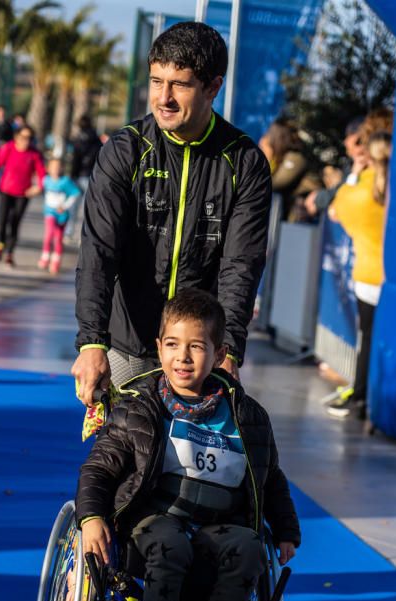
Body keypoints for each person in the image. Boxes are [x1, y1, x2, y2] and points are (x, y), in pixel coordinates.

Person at [76, 289, 300, 601]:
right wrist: (91, 517)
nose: (183, 357)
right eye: (174, 345)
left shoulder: (246, 416)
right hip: (151, 525)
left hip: (217, 530)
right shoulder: (138, 409)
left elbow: (271, 477)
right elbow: (99, 469)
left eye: (197, 347)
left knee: (250, 546)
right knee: (170, 541)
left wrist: (285, 530)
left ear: (219, 354)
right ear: (159, 349)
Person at [72, 22, 271, 405]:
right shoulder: (125, 151)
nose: (163, 97)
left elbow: (241, 264)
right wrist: (91, 342)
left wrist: (227, 348)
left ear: (213, 87)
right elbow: (98, 251)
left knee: (188, 465)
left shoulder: (245, 162)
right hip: (128, 344)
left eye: (179, 84)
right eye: (156, 81)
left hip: (198, 354)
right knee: (123, 461)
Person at [326, 121, 392, 419]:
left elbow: (336, 208)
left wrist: (353, 172)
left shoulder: (361, 190)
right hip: (394, 279)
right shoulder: (387, 187)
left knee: (368, 342)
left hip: (368, 276)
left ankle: (363, 399)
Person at [0, 125, 46, 267]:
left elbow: (42, 174)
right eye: (23, 137)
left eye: (29, 138)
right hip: (6, 191)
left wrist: (38, 188)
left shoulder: (34, 153)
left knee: (15, 222)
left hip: (23, 194)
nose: (26, 141)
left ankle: (10, 253)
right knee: (2, 220)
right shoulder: (8, 148)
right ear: (16, 137)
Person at [304, 116, 367, 218]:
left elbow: (342, 196)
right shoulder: (354, 165)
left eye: (358, 142)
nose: (346, 143)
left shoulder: (366, 167)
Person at [258, 117, 318, 221]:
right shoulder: (284, 157)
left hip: (307, 214)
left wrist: (267, 157)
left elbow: (273, 184)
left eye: (270, 135)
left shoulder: (296, 158)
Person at [38, 158, 81, 274]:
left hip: (62, 214)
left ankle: (56, 261)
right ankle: (45, 257)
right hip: (49, 212)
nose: (55, 170)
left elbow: (76, 194)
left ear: (62, 168)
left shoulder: (65, 181)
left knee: (58, 239)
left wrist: (65, 206)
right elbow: (41, 189)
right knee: (48, 234)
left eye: (58, 167)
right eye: (53, 168)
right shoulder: (46, 180)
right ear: (48, 169)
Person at [64, 114, 102, 241]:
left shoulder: (78, 139)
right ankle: (84, 236)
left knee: (73, 206)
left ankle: (68, 232)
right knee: (87, 208)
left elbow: (75, 159)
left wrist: (72, 174)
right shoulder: (96, 139)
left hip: (79, 175)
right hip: (92, 175)